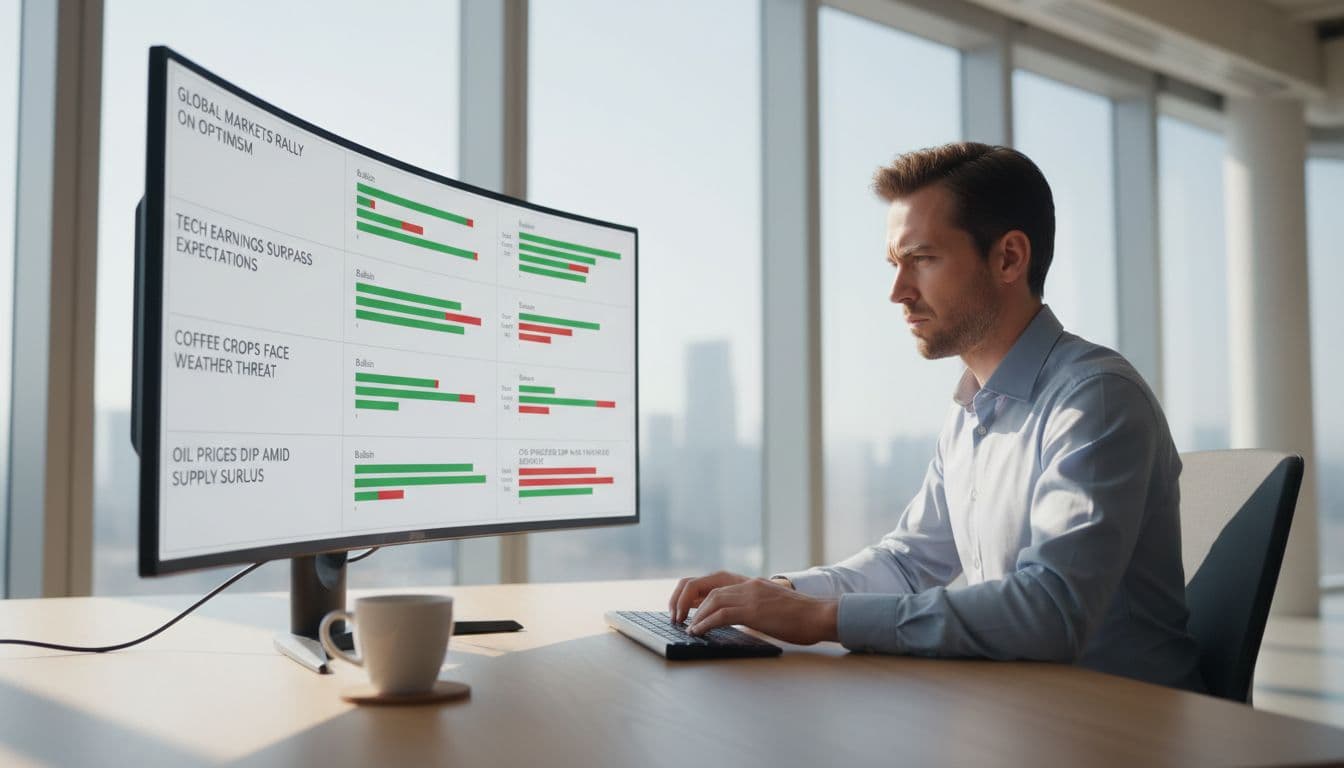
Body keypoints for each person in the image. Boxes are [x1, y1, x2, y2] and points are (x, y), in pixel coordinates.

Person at [669, 141, 1205, 692]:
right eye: (894, 264)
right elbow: (907, 564)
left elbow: (1051, 611)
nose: (897, 292)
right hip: (1019, 708)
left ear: (1009, 258)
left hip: (1125, 727)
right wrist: (783, 593)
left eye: (922, 259)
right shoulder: (973, 408)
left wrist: (820, 619)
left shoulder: (1093, 399)